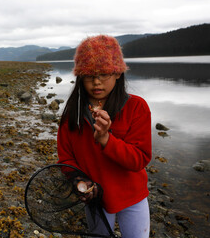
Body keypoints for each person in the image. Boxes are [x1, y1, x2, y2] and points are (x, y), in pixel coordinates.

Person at [57, 35, 151, 238]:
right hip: (96, 199)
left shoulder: (137, 107)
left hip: (132, 196)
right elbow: (66, 159)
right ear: (81, 76)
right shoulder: (72, 116)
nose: (96, 82)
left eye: (104, 74)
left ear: (118, 73)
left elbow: (140, 159)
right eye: (89, 75)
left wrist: (106, 140)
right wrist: (79, 182)